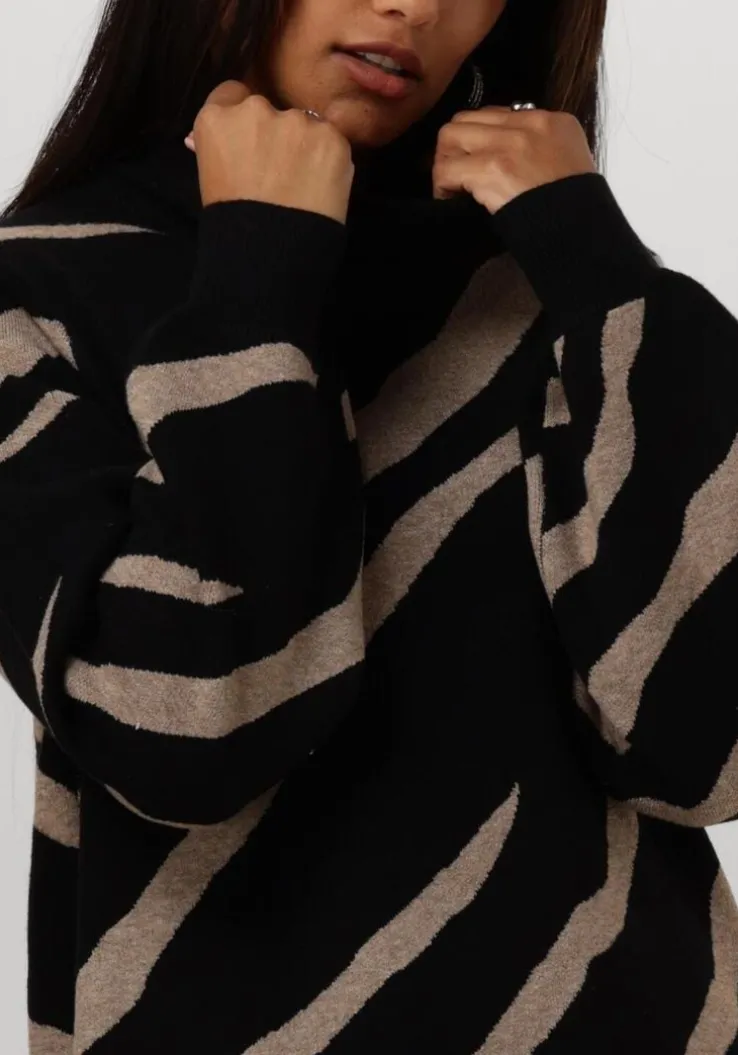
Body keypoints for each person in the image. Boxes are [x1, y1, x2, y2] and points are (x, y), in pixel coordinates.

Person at [1, 0, 737, 1050]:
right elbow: (190, 734)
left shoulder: (560, 283)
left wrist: (604, 270)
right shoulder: (37, 293)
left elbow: (710, 750)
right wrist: (260, 273)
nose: (417, 6)